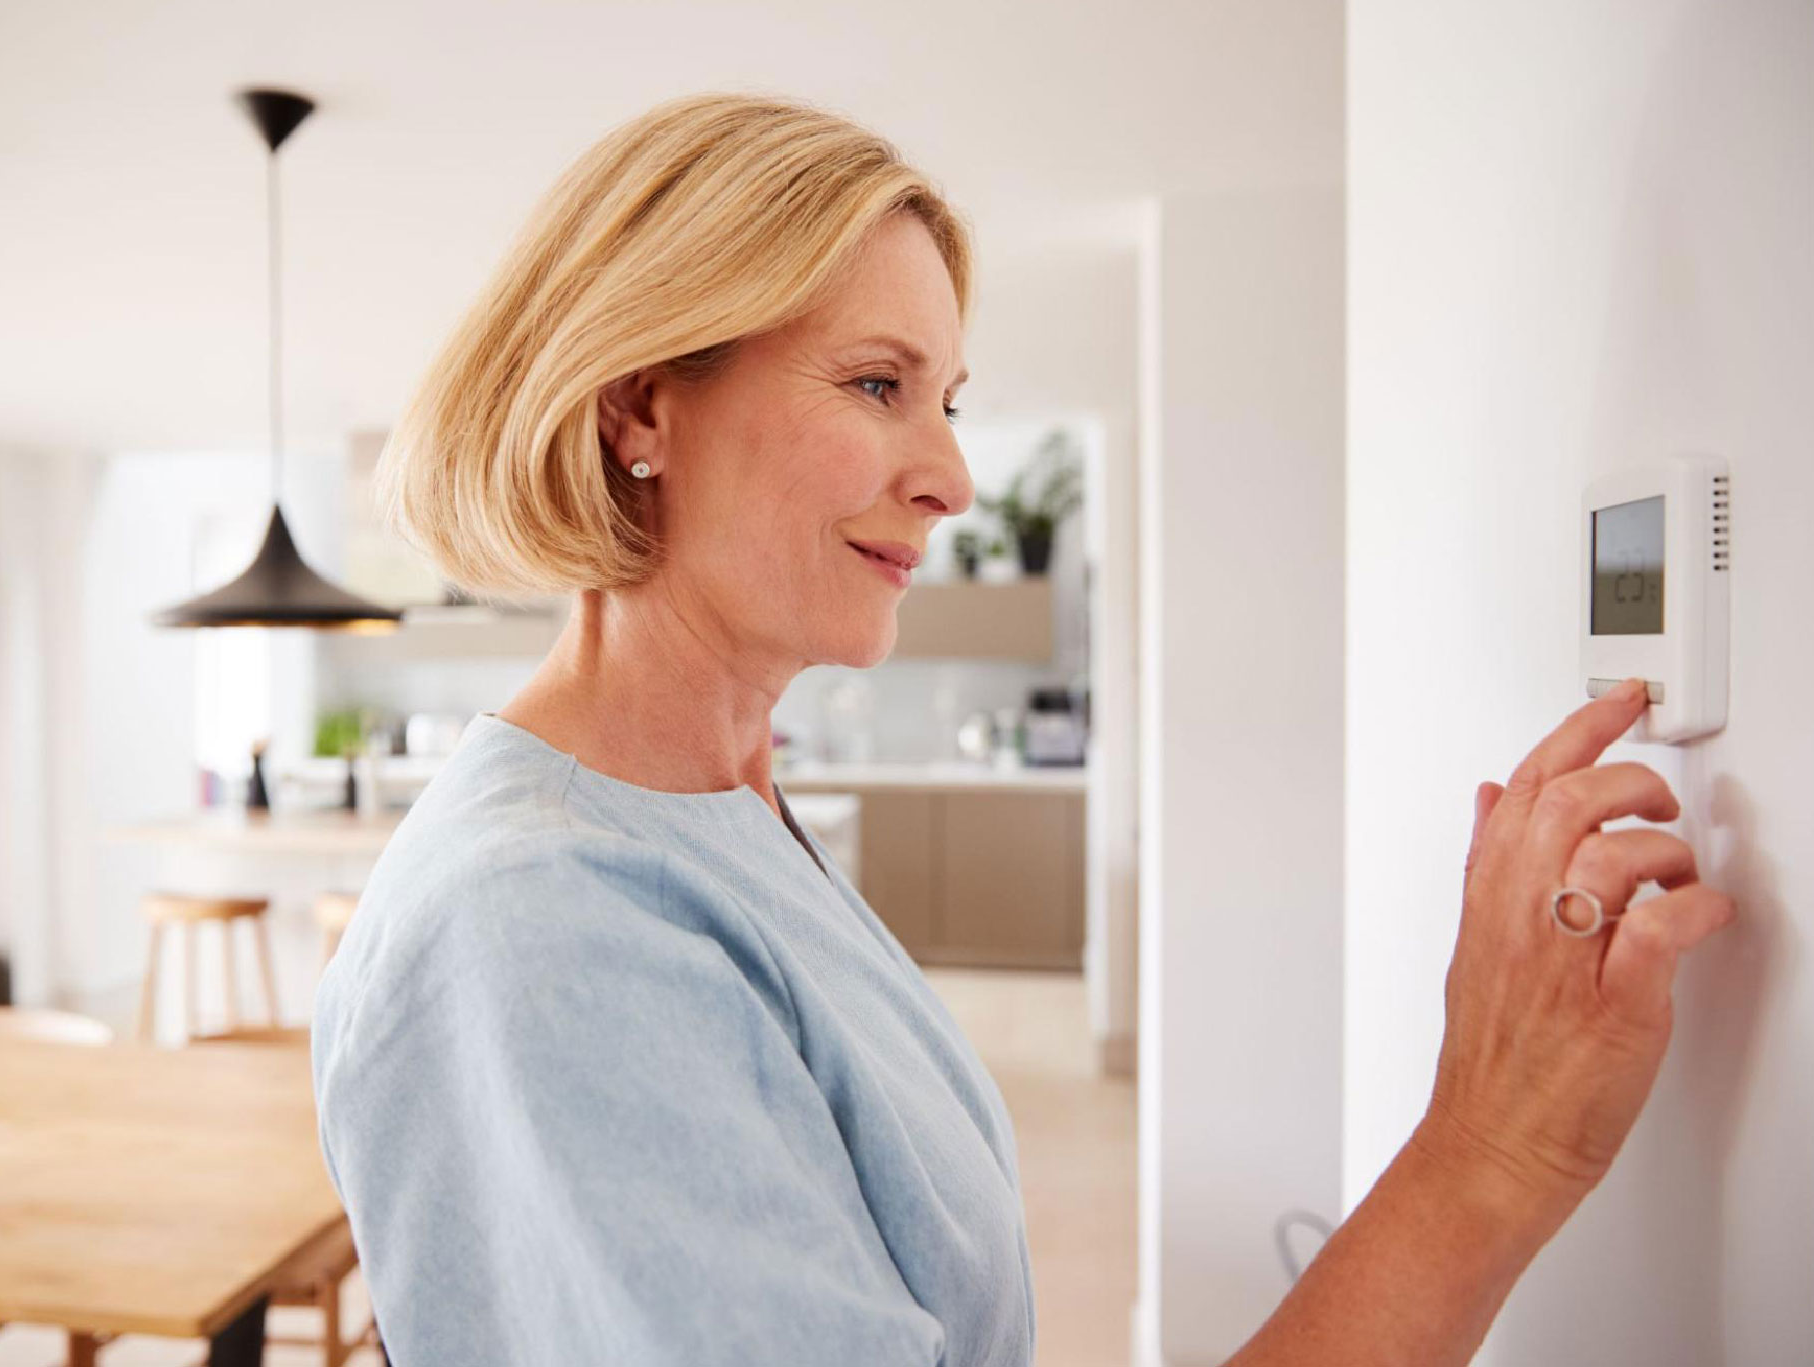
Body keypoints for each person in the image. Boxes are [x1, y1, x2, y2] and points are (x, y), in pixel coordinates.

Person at [310, 92, 1734, 1367]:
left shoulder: (719, 807)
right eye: (878, 385)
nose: (950, 476)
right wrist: (1487, 1153)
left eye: (947, 401)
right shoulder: (549, 923)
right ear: (641, 408)